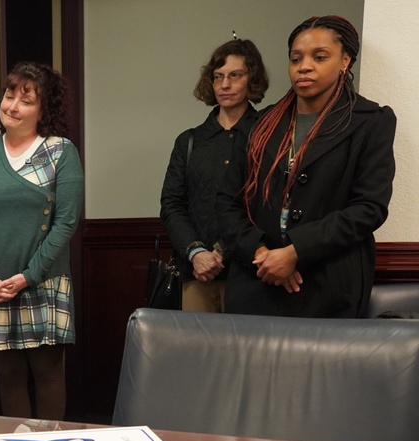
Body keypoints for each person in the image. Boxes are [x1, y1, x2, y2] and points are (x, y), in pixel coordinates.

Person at [219, 15, 396, 317]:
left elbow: (369, 207)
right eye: (295, 58)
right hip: (255, 282)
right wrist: (261, 254)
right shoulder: (259, 124)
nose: (304, 66)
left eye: (319, 57)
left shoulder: (370, 121)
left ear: (345, 61)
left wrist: (296, 251)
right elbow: (226, 201)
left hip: (328, 286)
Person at [0, 62, 84, 420]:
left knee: (47, 376)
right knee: (8, 378)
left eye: (26, 101)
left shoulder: (60, 152)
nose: (12, 106)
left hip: (42, 280)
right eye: (9, 96)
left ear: (44, 110)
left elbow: (66, 221)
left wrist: (29, 275)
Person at [160, 38, 268, 312]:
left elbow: (267, 203)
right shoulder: (189, 141)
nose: (225, 85)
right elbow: (172, 205)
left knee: (249, 354)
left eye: (235, 75)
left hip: (251, 272)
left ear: (251, 78)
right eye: (218, 77)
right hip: (197, 273)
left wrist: (223, 251)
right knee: (196, 354)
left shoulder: (268, 135)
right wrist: (196, 253)